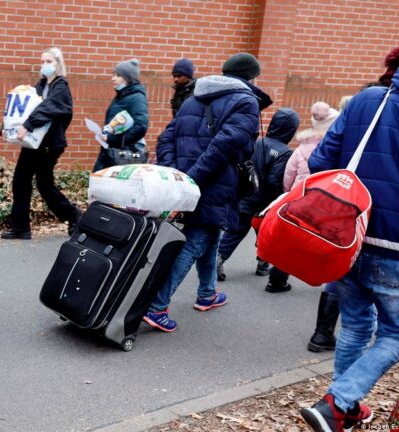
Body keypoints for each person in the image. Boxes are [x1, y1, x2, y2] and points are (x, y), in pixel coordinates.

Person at [300, 33, 399, 432]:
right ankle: (336, 403)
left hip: (347, 237)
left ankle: (345, 411)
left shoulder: (369, 99)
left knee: (356, 325)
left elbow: (321, 161)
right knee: (397, 333)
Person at [144, 53, 268, 332]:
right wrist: (191, 180)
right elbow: (225, 146)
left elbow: (166, 138)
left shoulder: (193, 98)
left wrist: (174, 175)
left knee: (211, 234)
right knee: (196, 240)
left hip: (190, 182)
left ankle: (207, 293)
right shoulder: (246, 101)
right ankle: (156, 307)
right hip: (213, 184)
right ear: (251, 76)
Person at [0, 48, 80, 240]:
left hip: (49, 144)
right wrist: (7, 127)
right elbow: (25, 109)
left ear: (58, 64)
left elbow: (48, 108)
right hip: (35, 143)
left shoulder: (61, 87)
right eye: (42, 61)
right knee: (21, 180)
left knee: (44, 185)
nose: (44, 65)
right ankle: (20, 227)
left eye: (49, 61)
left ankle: (74, 216)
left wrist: (28, 125)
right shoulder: (41, 86)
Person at [216, 108, 299, 284]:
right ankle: (263, 264)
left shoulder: (257, 141)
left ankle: (219, 258)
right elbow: (274, 181)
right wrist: (279, 198)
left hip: (243, 195)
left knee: (235, 230)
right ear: (291, 130)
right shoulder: (285, 152)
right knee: (266, 234)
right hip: (264, 203)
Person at [92, 58, 149, 171]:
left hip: (122, 155)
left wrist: (115, 139)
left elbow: (141, 126)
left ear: (127, 78)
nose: (113, 78)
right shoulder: (121, 96)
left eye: (117, 75)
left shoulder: (137, 98)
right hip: (110, 151)